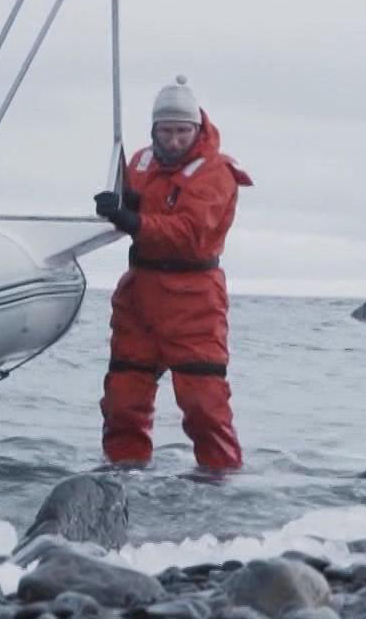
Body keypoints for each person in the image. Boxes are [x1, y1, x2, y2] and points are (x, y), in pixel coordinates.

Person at [92, 76, 253, 471]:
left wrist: (132, 219)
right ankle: (123, 475)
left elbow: (189, 234)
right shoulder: (140, 162)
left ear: (197, 128)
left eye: (183, 131)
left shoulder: (215, 172)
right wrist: (120, 205)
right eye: (167, 131)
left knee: (204, 407)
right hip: (140, 293)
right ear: (154, 131)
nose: (176, 140)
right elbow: (137, 210)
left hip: (194, 298)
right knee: (122, 402)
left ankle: (220, 484)